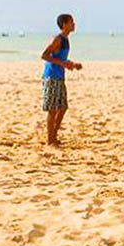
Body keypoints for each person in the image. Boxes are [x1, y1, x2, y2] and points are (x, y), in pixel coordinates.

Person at [40, 13, 82, 146]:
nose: (74, 24)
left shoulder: (66, 39)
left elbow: (60, 58)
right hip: (51, 76)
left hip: (59, 76)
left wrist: (71, 64)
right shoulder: (57, 39)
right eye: (71, 22)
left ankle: (54, 136)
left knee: (62, 107)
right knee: (52, 109)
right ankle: (50, 139)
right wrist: (63, 64)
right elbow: (44, 55)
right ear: (64, 24)